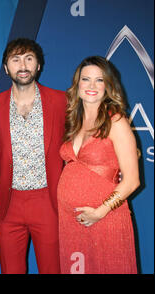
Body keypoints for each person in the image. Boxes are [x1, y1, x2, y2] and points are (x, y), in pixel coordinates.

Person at [57, 56, 139, 274]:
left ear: (108, 86)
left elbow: (131, 181)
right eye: (86, 79)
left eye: (99, 80)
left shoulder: (116, 121)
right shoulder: (73, 122)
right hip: (71, 222)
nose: (92, 86)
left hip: (106, 219)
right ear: (78, 84)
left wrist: (100, 212)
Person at [0, 38, 65, 274]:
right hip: (7, 204)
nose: (23, 65)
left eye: (29, 59)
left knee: (52, 269)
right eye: (15, 59)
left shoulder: (62, 101)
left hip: (49, 202)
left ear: (39, 65)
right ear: (5, 68)